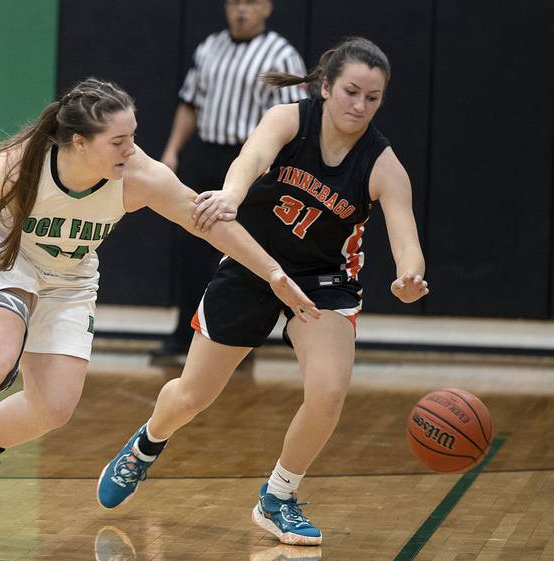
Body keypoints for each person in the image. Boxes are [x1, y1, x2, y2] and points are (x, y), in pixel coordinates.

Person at [0, 77, 320, 524]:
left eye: (133, 137)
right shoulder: (16, 168)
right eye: (119, 141)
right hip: (3, 257)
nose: (132, 149)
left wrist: (273, 273)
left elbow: (212, 226)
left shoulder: (140, 177)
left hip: (71, 278)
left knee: (54, 408)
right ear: (79, 142)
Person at [97, 38, 430, 546]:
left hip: (324, 280)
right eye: (350, 91)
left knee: (328, 391)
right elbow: (250, 160)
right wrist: (230, 196)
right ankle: (146, 445)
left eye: (372, 97)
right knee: (192, 395)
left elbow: (406, 236)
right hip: (254, 262)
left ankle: (279, 496)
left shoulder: (383, 166)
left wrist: (410, 276)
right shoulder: (288, 120)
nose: (358, 105)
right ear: (325, 86)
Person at [154, 0, 308, 361]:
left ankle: (235, 343)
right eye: (235, 2)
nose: (241, 10)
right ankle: (182, 337)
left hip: (250, 162)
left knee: (237, 254)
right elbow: (189, 103)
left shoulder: (281, 55)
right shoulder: (210, 47)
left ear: (267, 8)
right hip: (206, 154)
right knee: (192, 250)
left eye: (250, 3)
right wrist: (173, 150)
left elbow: (294, 118)